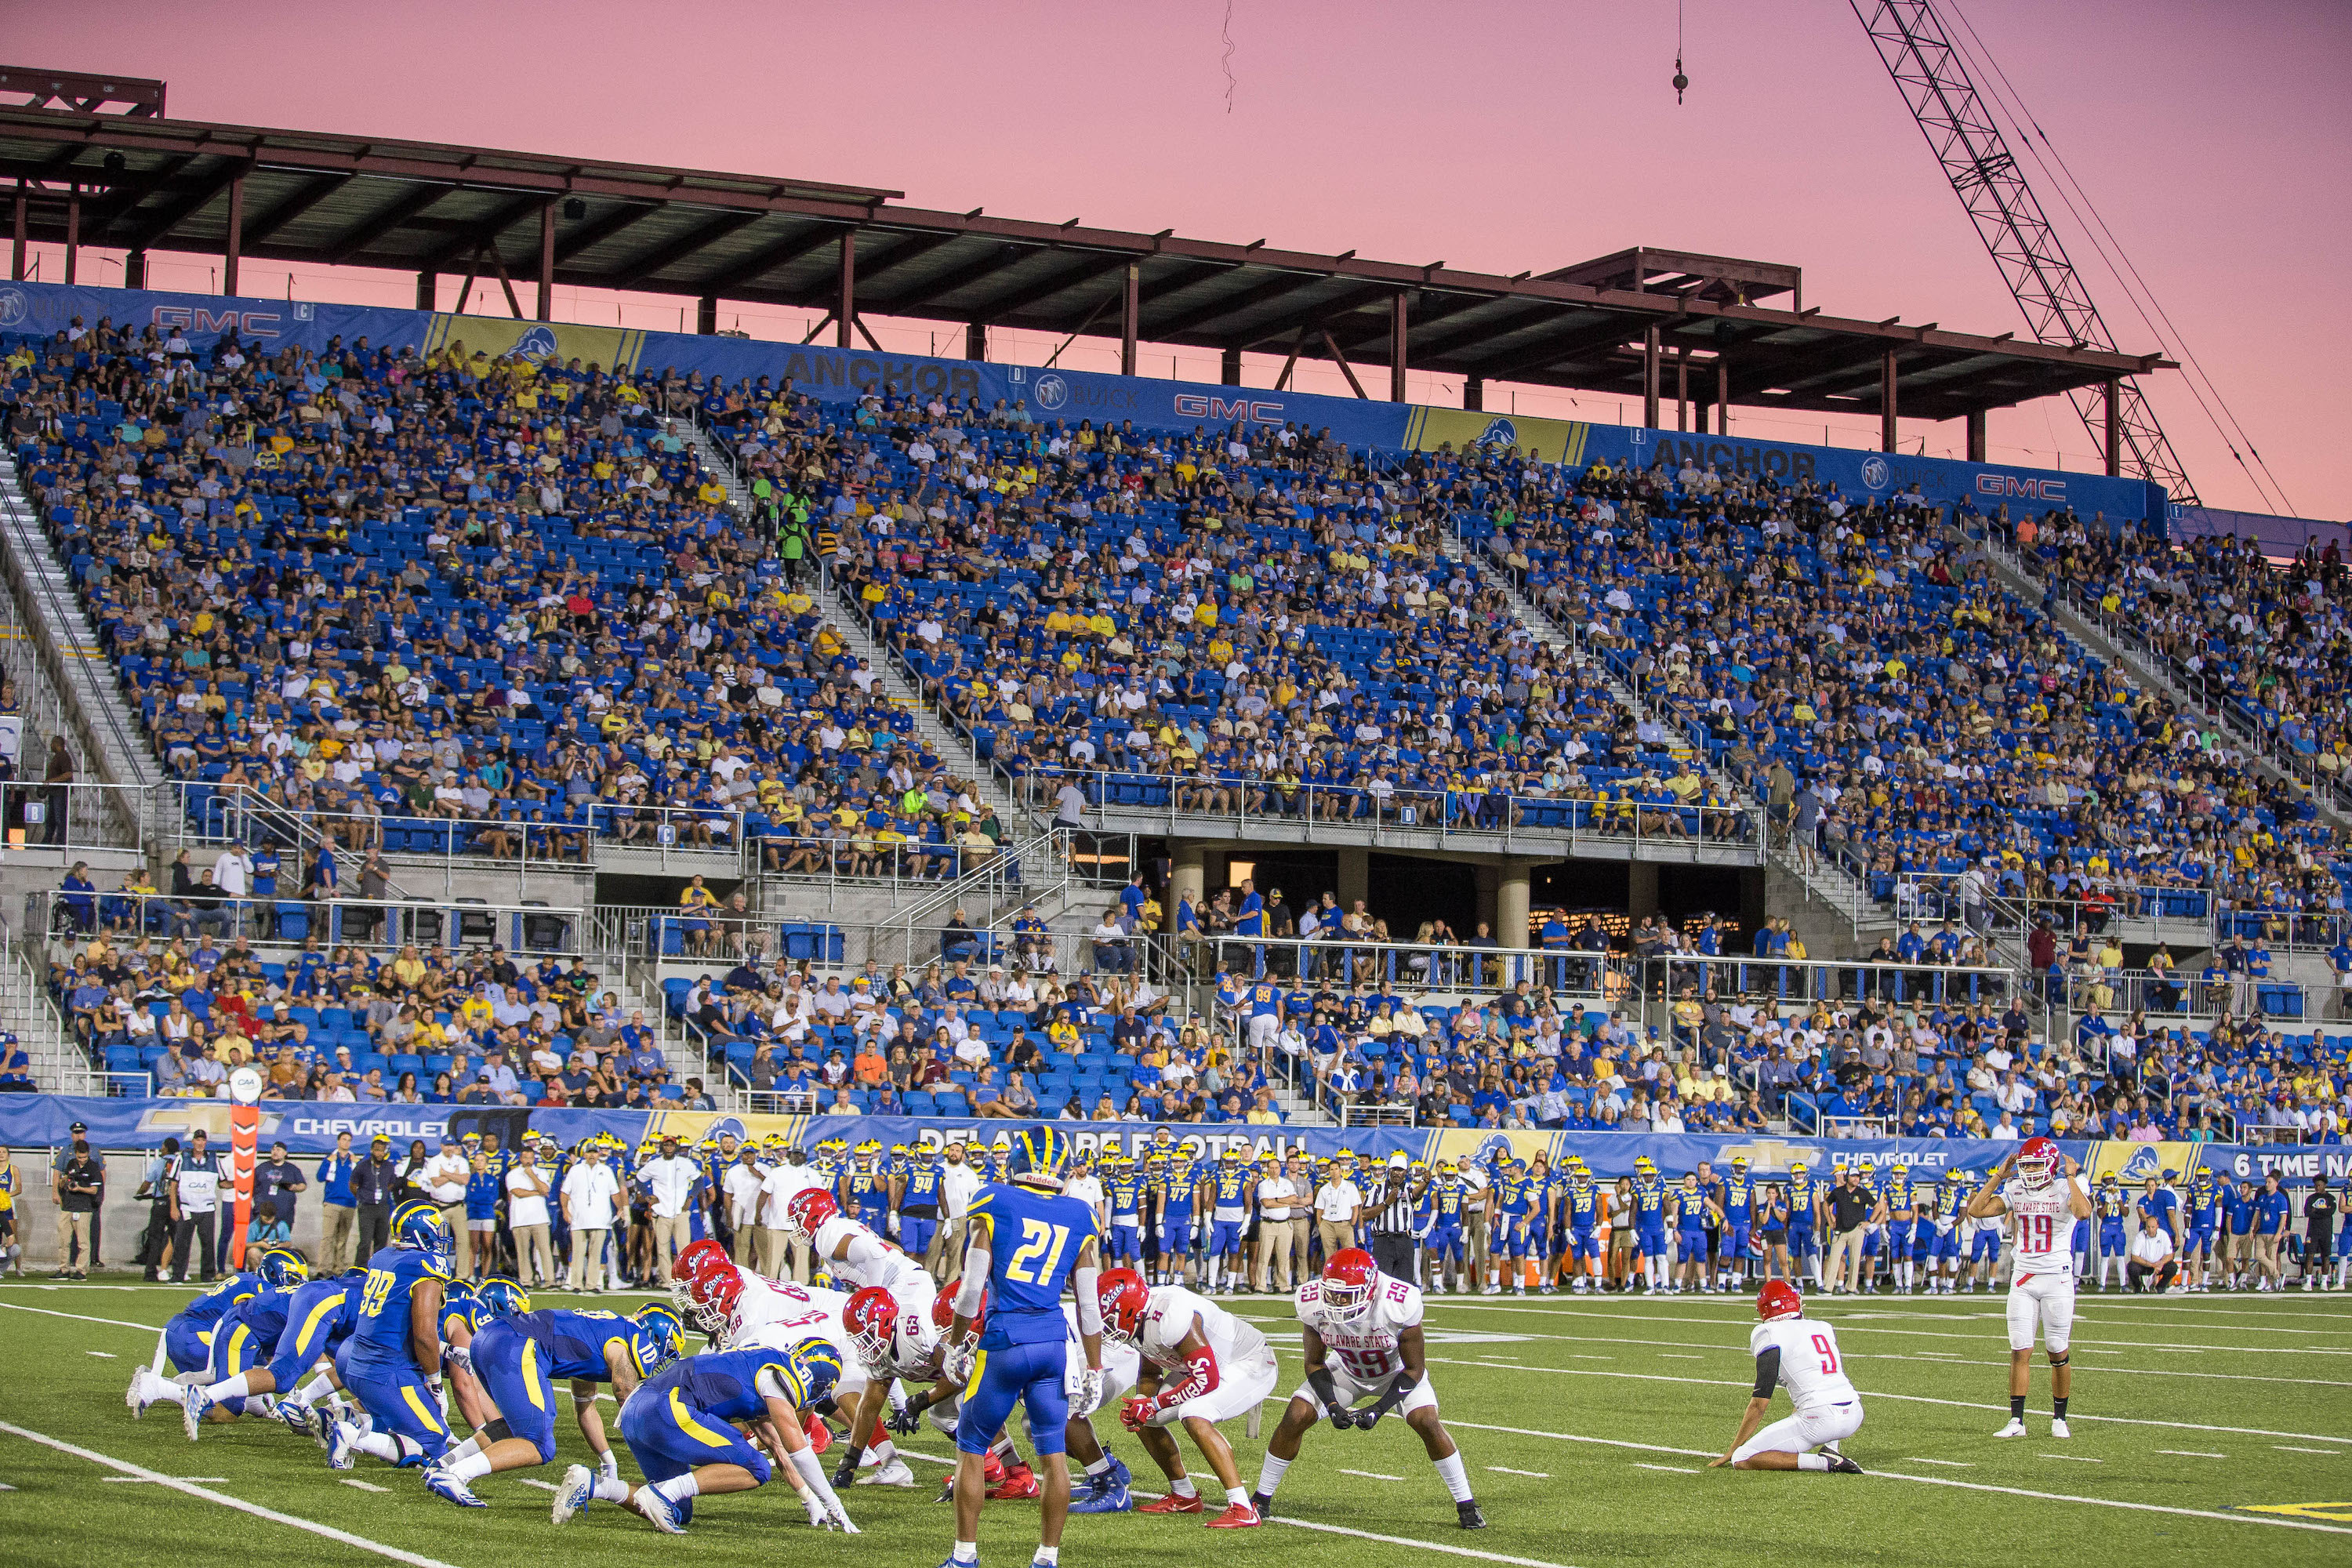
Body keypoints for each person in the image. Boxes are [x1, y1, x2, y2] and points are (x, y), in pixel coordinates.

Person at [936, 1126, 1106, 1568]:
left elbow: (972, 1288)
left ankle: (965, 1557)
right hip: (1053, 1341)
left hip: (1005, 1340)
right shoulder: (1080, 1213)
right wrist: (1094, 1366)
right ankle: (1047, 1558)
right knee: (1054, 1455)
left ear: (1014, 1163)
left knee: (972, 1447)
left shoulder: (996, 1200)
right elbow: (1089, 1304)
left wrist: (955, 1343)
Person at [1251, 1247, 1483, 1528]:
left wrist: (1379, 1409)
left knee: (1428, 1422)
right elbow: (1314, 1363)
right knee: (1296, 1415)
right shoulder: (1312, 1302)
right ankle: (1261, 1499)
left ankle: (1466, 1505)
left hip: (1395, 1373)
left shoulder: (1399, 1302)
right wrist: (1332, 1404)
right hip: (1348, 1369)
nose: (1337, 1302)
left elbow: (1414, 1370)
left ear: (1371, 1288)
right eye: (1332, 1294)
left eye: (1345, 1296)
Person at [432, 1302, 685, 1507]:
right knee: (539, 1444)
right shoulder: (634, 1338)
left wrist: (609, 1464)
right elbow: (625, 1392)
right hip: (517, 1344)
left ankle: (444, 1465)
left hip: (494, 1337)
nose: (664, 1359)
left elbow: (585, 1408)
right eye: (669, 1349)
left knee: (514, 1426)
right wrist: (659, 1443)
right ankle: (456, 1475)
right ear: (656, 1334)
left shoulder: (602, 1336)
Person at [1097, 1267, 1279, 1527]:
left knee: (1194, 1414)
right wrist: (1142, 1402)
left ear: (1127, 1309)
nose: (1106, 1324)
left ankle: (1242, 1507)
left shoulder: (1172, 1314)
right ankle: (1184, 1495)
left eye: (1110, 1317)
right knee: (1143, 1417)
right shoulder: (1140, 1318)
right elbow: (1149, 1373)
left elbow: (1207, 1380)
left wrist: (1155, 1403)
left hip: (1249, 1363)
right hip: (1202, 1366)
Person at [1967, 1137, 2091, 1439]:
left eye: (2036, 1164)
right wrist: (1999, 1175)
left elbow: (2083, 1212)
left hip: (2056, 1277)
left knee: (2056, 1350)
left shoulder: (2066, 1186)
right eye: (2026, 1165)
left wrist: (2071, 1176)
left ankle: (2059, 1418)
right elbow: (1976, 1210)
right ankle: (2016, 1421)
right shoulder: (2015, 1187)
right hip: (2023, 1277)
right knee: (2019, 1349)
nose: (2031, 1170)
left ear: (2050, 1164)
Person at [327, 1201, 459, 1472]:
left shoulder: (383, 1256)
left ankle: (358, 1421)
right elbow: (423, 1334)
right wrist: (435, 1382)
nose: (442, 1235)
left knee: (412, 1426)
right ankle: (353, 1436)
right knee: (434, 1443)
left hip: (357, 1362)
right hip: (387, 1370)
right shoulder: (426, 1265)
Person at [1707, 1279, 1864, 1472]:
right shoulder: (1823, 1327)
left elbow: (1760, 1403)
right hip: (1854, 1413)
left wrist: (1732, 1450)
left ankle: (1826, 1462)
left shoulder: (1769, 1332)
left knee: (1743, 1457)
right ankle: (1832, 1448)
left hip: (1821, 1420)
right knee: (1817, 1396)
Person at [169, 1128, 223, 1283]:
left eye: (203, 1140)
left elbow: (224, 1182)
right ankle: (177, 1275)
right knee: (182, 1243)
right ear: (193, 1141)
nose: (200, 1143)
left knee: (208, 1243)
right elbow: (173, 1183)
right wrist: (174, 1206)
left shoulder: (214, 1159)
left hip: (207, 1208)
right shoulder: (181, 1159)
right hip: (187, 1207)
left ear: (206, 1142)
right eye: (197, 1140)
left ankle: (208, 1275)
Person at [53, 1137, 103, 1280]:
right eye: (80, 1157)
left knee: (83, 1242)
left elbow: (94, 1190)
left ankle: (81, 1271)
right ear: (75, 1154)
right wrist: (63, 1182)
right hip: (68, 1206)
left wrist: (80, 1188)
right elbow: (65, 1180)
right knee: (63, 1241)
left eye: (85, 1157)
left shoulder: (93, 1167)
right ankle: (64, 1269)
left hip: (84, 1208)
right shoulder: (71, 1164)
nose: (82, 1160)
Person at [2124, 1211, 2178, 1294]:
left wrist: (2161, 1263)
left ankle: (2160, 1287)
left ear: (2157, 1226)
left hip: (2159, 1265)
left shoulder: (2164, 1235)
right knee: (2131, 1267)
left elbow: (2170, 1255)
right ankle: (2138, 1286)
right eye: (2148, 1227)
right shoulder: (2140, 1236)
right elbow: (2134, 1257)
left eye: (2153, 1227)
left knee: (2173, 1267)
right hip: (2144, 1265)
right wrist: (2151, 1264)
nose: (2150, 1230)